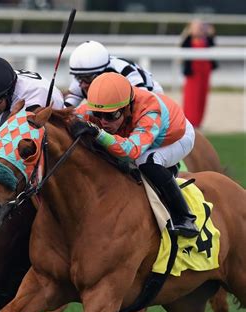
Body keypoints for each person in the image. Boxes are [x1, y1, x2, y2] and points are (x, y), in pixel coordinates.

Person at [75, 72, 199, 238]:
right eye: (98, 115)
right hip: (140, 136)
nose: (104, 122)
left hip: (176, 138)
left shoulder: (150, 111)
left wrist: (99, 133)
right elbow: (70, 116)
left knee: (144, 161)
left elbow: (130, 151)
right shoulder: (104, 105)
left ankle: (184, 216)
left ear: (127, 107)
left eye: (111, 116)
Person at [65, 40, 163, 107]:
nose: (82, 84)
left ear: (104, 72)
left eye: (87, 78)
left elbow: (143, 101)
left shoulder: (126, 72)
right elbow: (67, 107)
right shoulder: (83, 75)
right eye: (78, 78)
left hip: (153, 96)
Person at [181, 19, 218, 129]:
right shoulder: (188, 41)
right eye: (196, 27)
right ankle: (190, 121)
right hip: (193, 73)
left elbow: (213, 47)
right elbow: (183, 48)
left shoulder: (206, 40)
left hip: (205, 72)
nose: (199, 29)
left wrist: (211, 34)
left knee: (202, 97)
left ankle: (199, 122)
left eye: (201, 27)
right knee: (191, 97)